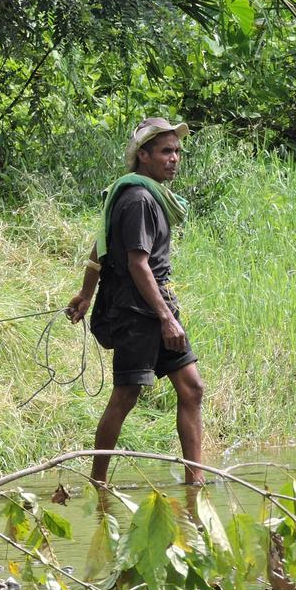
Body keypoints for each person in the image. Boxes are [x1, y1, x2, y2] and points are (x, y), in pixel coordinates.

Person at [66, 118, 205, 486]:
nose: (174, 158)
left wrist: (85, 293)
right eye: (165, 151)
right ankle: (98, 482)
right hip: (138, 310)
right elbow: (136, 263)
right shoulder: (139, 198)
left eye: (176, 151)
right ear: (143, 155)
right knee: (126, 394)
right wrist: (165, 318)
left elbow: (100, 245)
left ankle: (196, 482)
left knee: (192, 388)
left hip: (157, 305)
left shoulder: (146, 194)